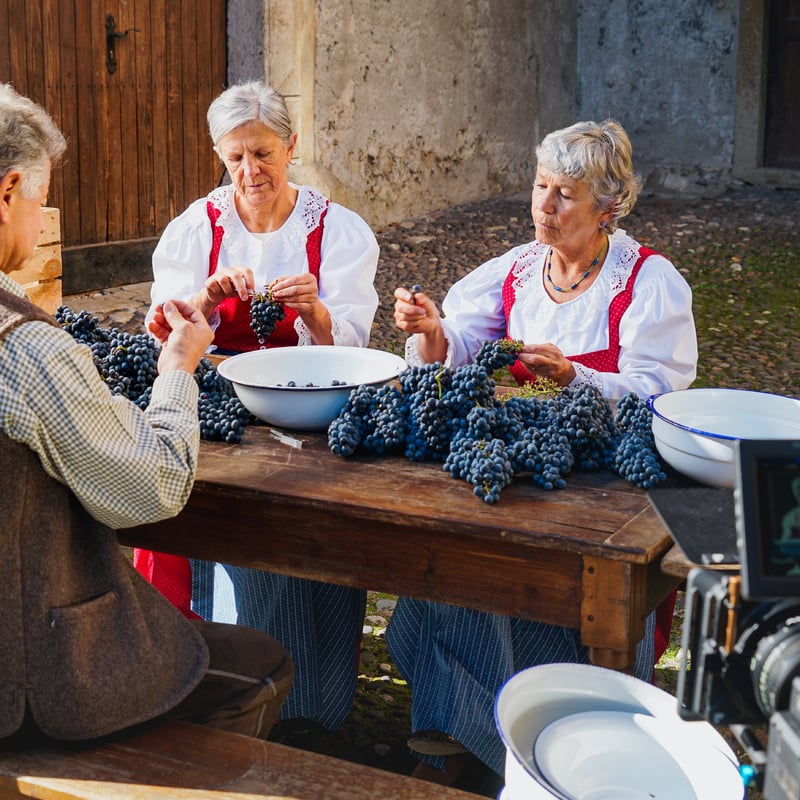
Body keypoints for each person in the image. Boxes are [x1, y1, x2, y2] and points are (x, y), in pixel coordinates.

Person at [389, 119, 698, 787]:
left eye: (565, 194)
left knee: (548, 585)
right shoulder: (521, 268)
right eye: (539, 187)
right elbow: (464, 340)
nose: (544, 206)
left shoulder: (647, 282)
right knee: (459, 549)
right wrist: (431, 329)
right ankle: (469, 735)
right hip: (525, 459)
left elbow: (658, 392)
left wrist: (574, 378)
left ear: (608, 207)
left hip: (605, 477)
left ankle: (551, 737)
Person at [0, 83, 293, 744]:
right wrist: (177, 370)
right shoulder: (25, 349)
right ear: (7, 191)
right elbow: (150, 491)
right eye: (40, 204)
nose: (39, 223)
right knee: (260, 664)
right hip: (27, 685)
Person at [136, 80, 380, 744]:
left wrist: (317, 313)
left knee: (319, 548)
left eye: (265, 154)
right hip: (226, 423)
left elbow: (356, 352)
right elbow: (165, 332)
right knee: (242, 548)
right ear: (220, 153)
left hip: (316, 424)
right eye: (237, 156)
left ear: (292, 146)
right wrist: (204, 304)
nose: (251, 172)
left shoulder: (337, 231)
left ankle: (316, 707)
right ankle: (241, 696)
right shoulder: (198, 228)